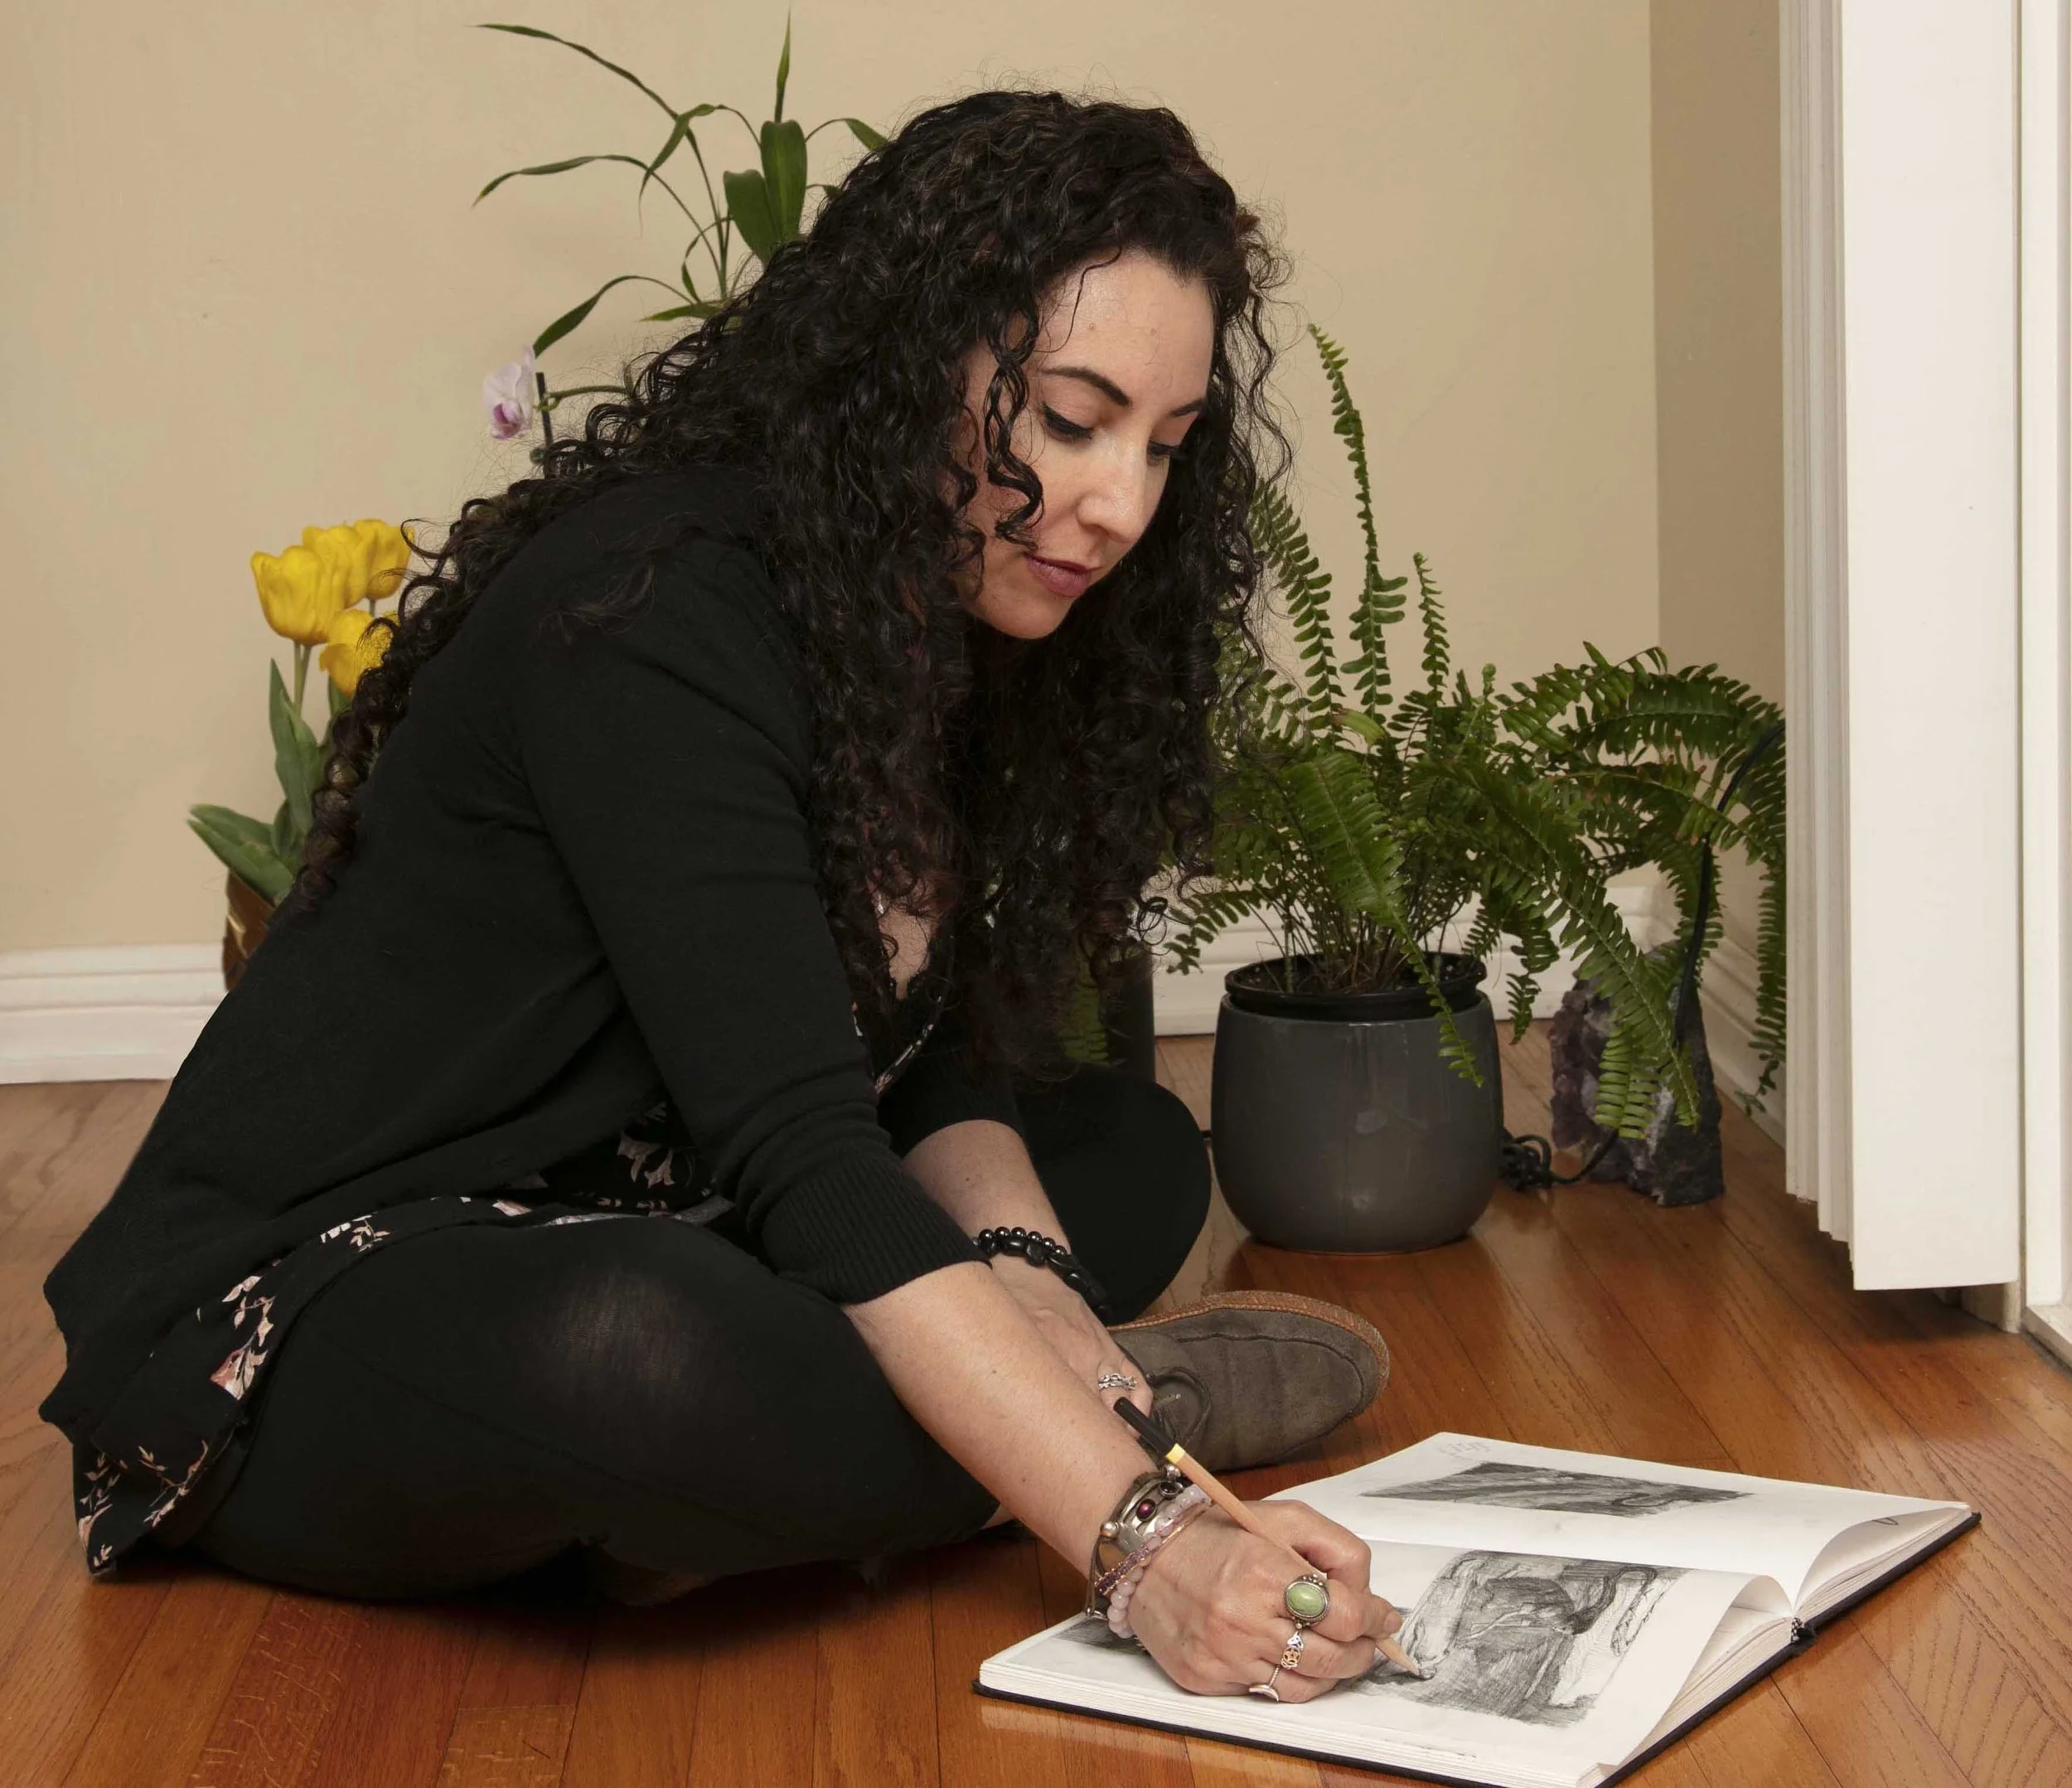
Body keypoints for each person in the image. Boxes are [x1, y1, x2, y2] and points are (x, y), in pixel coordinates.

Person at [41, 89, 1402, 1703]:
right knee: (643, 1342)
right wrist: (1146, 1543)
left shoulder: (950, 610)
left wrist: (1030, 1283)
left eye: (1162, 447)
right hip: (312, 1296)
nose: (1114, 504)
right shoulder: (661, 611)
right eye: (1069, 417)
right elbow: (808, 1153)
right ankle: (1024, 1437)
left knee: (1123, 1156)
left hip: (675, 1197)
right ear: (920, 358)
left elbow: (928, 1052)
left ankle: (821, 1465)